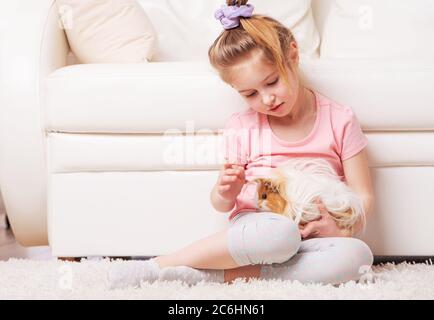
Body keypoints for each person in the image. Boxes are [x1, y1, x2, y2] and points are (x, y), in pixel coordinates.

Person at [108, 0, 374, 289]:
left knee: (358, 256)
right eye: (250, 94)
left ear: (293, 55)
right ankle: (162, 266)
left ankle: (217, 275)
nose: (267, 99)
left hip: (314, 237)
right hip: (261, 230)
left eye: (272, 82)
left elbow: (364, 194)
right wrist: (226, 191)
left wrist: (343, 229)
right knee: (281, 235)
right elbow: (221, 203)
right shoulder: (243, 125)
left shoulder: (340, 119)